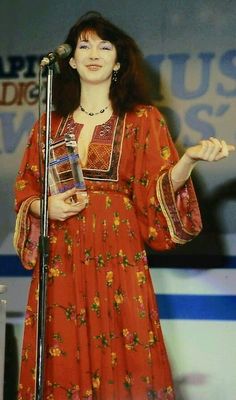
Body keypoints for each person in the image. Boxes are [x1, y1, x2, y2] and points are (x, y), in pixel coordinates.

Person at [14, 11, 235, 400]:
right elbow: (26, 188)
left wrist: (188, 161)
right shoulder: (48, 125)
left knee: (122, 353)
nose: (93, 53)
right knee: (60, 349)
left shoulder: (141, 119)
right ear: (70, 61)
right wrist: (42, 207)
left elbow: (156, 190)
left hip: (117, 254)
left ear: (118, 61)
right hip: (61, 255)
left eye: (104, 45)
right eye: (84, 46)